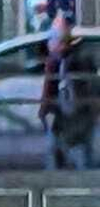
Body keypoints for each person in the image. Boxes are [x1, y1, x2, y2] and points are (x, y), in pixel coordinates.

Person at [40, 11, 97, 169]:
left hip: (77, 117)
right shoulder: (57, 61)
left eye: (54, 36)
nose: (50, 42)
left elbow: (88, 87)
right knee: (65, 152)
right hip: (67, 117)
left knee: (78, 154)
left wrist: (44, 110)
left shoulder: (76, 60)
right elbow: (50, 90)